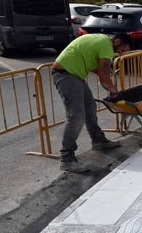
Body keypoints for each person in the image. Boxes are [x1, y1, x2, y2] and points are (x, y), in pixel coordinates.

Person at [52, 33, 133, 173]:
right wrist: (113, 90)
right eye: (121, 50)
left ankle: (98, 141)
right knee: (76, 117)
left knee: (90, 108)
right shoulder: (106, 46)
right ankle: (67, 159)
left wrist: (107, 81)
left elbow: (96, 69)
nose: (120, 54)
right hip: (66, 75)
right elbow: (103, 73)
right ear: (117, 41)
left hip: (74, 74)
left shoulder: (101, 41)